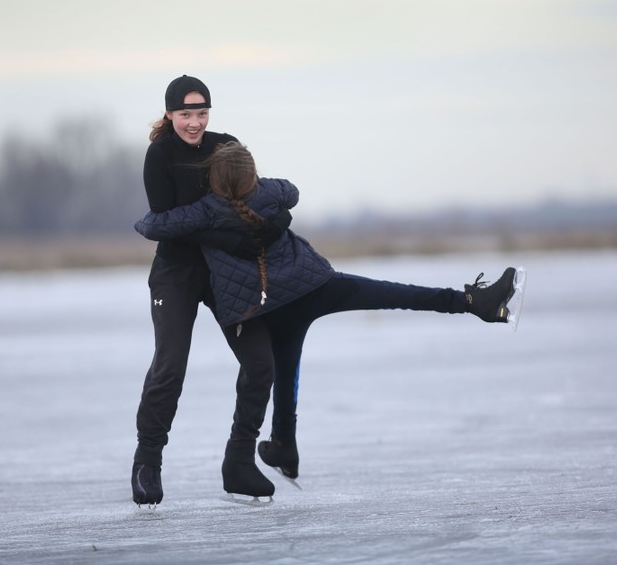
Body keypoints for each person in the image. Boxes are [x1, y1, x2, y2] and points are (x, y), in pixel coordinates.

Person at [135, 141, 520, 484]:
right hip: (313, 286)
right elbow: (292, 190)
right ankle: (473, 302)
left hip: (268, 305)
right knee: (396, 294)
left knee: (279, 366)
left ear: (216, 182)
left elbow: (152, 224)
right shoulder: (270, 193)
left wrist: (205, 229)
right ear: (253, 175)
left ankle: (276, 445)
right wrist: (263, 197)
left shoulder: (206, 211)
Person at [132, 76, 291, 507]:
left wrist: (273, 222)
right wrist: (227, 231)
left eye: (201, 113)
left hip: (228, 273)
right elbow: (171, 225)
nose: (194, 123)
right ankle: (147, 462)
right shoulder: (160, 154)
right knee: (170, 367)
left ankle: (239, 462)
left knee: (261, 365)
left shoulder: (227, 146)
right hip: (177, 273)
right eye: (185, 114)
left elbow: (250, 201)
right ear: (169, 114)